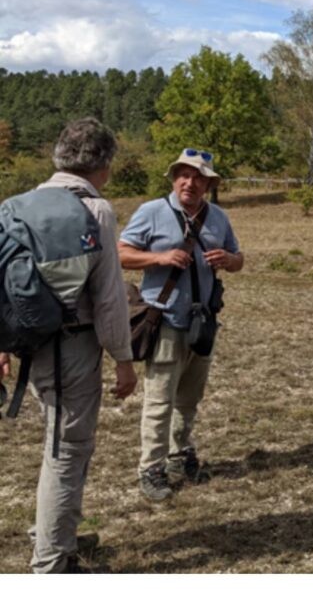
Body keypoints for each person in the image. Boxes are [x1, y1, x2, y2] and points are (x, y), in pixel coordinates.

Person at [0, 117, 137, 573]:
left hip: (32, 344)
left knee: (58, 443)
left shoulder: (16, 205)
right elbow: (110, 298)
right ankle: (52, 563)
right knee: (67, 450)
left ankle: (55, 533)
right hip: (73, 348)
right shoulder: (96, 211)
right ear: (104, 165)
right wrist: (123, 358)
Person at [118, 149, 243, 501]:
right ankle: (150, 469)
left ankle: (179, 455)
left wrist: (230, 260)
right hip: (166, 319)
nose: (190, 182)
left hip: (203, 322)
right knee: (159, 400)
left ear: (208, 183)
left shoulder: (217, 217)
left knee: (189, 398)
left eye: (198, 176)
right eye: (183, 175)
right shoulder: (152, 212)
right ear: (174, 179)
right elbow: (120, 252)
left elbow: (239, 258)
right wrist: (158, 257)